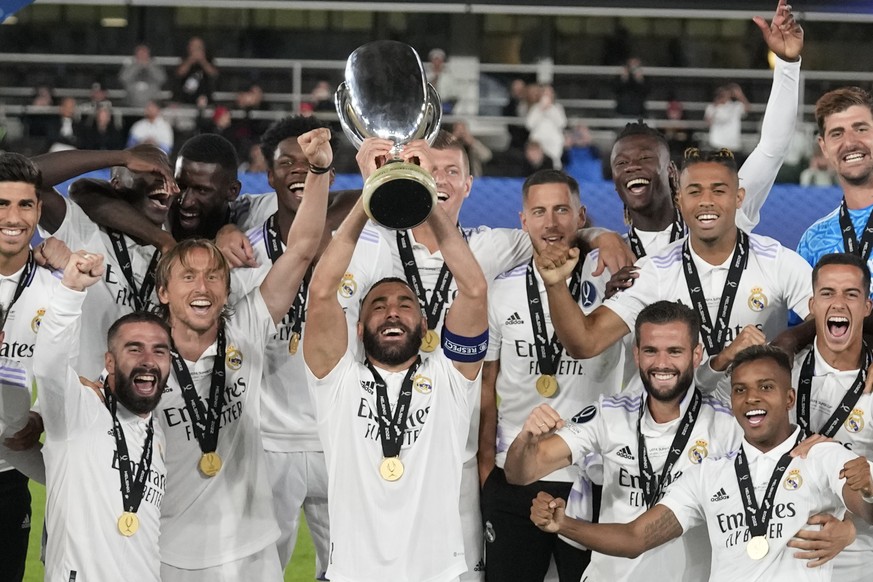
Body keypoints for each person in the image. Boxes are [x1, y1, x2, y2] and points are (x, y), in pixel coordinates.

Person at [340, 131, 632, 581]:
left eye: (451, 171)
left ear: (469, 184)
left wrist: (602, 235)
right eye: (429, 169)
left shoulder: (494, 248)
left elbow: (554, 233)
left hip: (473, 448)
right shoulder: (376, 243)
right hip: (392, 434)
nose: (440, 179)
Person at [303, 137, 488, 581]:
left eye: (405, 304)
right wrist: (372, 195)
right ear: (360, 326)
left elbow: (475, 289)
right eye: (378, 305)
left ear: (425, 326)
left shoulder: (452, 378)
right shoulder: (336, 381)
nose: (391, 311)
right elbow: (322, 292)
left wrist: (424, 192)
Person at [529, 344, 873, 582]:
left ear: (788, 398)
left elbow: (865, 508)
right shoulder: (710, 474)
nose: (751, 397)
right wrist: (564, 525)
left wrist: (869, 490)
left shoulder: (822, 455)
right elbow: (636, 537)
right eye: (740, 390)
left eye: (765, 387)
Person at [153, 126, 330, 581]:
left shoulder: (245, 328)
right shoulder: (145, 355)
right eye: (188, 277)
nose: (202, 287)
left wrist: (321, 169)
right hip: (166, 547)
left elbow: (304, 246)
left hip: (248, 550)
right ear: (163, 292)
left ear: (229, 286)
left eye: (213, 276)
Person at [503, 300, 743, 581]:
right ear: (637, 354)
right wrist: (524, 439)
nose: (662, 363)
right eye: (651, 351)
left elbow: (636, 540)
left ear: (696, 354)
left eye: (674, 351)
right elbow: (521, 473)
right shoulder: (609, 414)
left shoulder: (727, 427)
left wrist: (564, 524)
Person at [479, 170, 624, 581]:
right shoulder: (500, 289)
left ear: (581, 216)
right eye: (539, 212)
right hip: (516, 469)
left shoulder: (610, 276)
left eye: (562, 210)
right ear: (523, 221)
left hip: (594, 472)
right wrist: (487, 470)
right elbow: (486, 388)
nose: (552, 222)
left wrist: (604, 237)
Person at [229, 116, 340, 578]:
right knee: (258, 571)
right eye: (286, 162)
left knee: (354, 567)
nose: (298, 170)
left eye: (308, 161)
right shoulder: (239, 250)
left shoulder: (360, 242)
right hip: (268, 441)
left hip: (340, 439)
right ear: (269, 175)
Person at [35, 250, 172, 581]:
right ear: (109, 362)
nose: (148, 360)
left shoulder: (157, 434)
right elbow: (50, 367)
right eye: (134, 348)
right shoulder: (78, 410)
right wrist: (71, 291)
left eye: (160, 351)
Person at [32, 144, 177, 378]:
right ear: (117, 184)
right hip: (84, 398)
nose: (163, 183)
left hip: (147, 403)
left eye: (167, 174)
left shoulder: (177, 252)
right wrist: (121, 156)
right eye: (150, 172)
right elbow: (22, 176)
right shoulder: (82, 229)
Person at [788, 252, 873, 578]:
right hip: (783, 557)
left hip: (857, 565)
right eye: (827, 293)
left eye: (851, 294)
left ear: (866, 307)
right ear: (812, 305)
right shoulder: (782, 376)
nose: (838, 303)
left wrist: (850, 526)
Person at [0, 152, 64, 582]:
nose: (14, 216)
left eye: (25, 204)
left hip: (8, 473)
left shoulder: (57, 288)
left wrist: (40, 415)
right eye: (2, 204)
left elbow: (75, 371)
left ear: (39, 210)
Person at [796, 86, 873, 287]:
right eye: (837, 134)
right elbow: (802, 316)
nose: (850, 143)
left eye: (861, 129)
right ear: (824, 147)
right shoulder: (813, 240)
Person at [526, 85, 567, 169]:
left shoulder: (557, 108)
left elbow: (562, 123)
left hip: (553, 139)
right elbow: (529, 124)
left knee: (555, 162)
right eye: (544, 92)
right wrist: (541, 109)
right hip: (538, 139)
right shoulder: (535, 108)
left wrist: (550, 110)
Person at [119, 43, 168, 109]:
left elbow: (162, 79)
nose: (142, 56)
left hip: (153, 104)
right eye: (139, 53)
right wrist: (137, 66)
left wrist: (149, 65)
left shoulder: (155, 65)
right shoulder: (129, 65)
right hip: (131, 103)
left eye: (144, 53)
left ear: (148, 54)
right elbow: (123, 78)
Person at [705, 83, 750, 152]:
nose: (724, 96)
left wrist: (740, 95)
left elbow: (747, 108)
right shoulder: (711, 107)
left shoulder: (735, 106)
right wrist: (717, 104)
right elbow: (708, 123)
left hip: (733, 144)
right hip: (716, 143)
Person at [174, 36, 218, 105]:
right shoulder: (184, 59)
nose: (195, 50)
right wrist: (190, 60)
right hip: (185, 97)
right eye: (193, 47)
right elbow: (179, 73)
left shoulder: (208, 60)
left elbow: (213, 74)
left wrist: (202, 61)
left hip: (204, 98)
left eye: (198, 47)